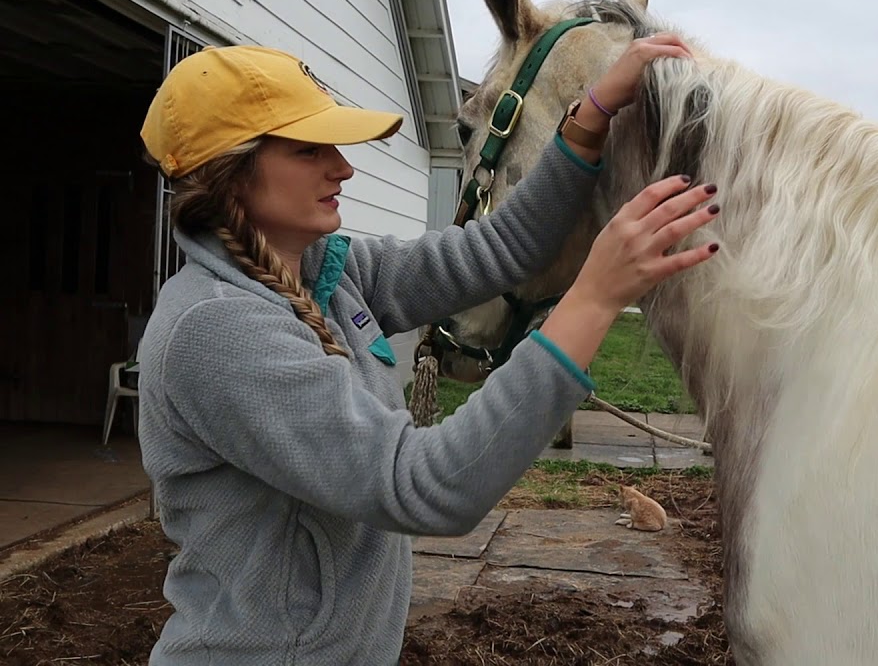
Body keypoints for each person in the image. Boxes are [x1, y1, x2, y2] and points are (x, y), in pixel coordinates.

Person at [134, 35, 719, 664]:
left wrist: (592, 114)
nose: (343, 167)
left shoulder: (329, 274)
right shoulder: (218, 330)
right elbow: (426, 485)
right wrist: (596, 297)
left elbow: (499, 249)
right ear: (229, 175)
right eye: (309, 149)